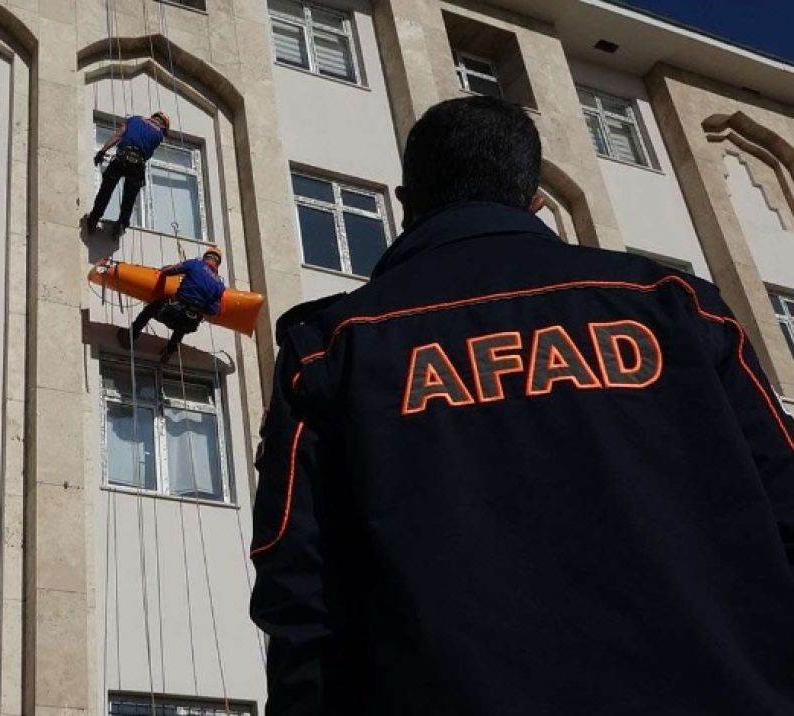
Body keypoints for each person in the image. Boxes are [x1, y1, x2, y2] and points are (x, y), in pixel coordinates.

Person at [250, 95, 794, 715]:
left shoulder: (332, 346)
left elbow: (298, 589)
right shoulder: (678, 306)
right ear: (537, 200)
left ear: (406, 205)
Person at [118, 248, 225, 363]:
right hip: (189, 323)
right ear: (217, 264)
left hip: (173, 312)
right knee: (183, 325)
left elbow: (169, 271)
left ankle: (130, 337)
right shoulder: (219, 285)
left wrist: (163, 270)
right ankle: (169, 352)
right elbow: (213, 310)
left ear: (206, 257)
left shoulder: (195, 264)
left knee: (151, 309)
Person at [86, 112, 170, 236]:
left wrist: (102, 151)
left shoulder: (134, 119)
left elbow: (118, 135)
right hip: (137, 164)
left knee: (106, 188)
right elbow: (147, 151)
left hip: (122, 158)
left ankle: (94, 217)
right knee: (129, 198)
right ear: (163, 125)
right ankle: (121, 224)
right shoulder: (159, 135)